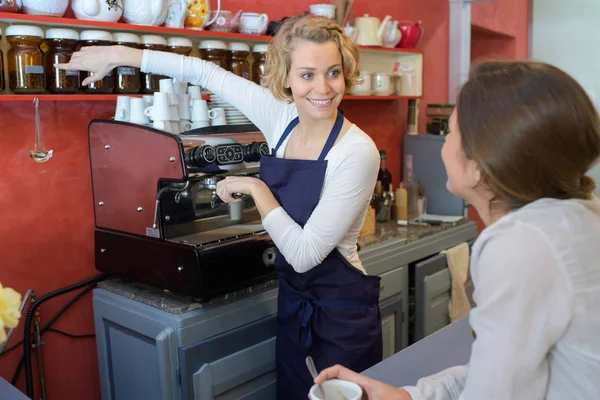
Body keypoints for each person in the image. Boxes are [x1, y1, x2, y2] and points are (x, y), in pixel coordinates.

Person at [57, 14, 383, 400]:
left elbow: (304, 254)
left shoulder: (357, 152)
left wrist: (256, 188)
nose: (324, 88)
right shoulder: (281, 118)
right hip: (294, 307)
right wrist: (118, 53)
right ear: (287, 79)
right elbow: (202, 71)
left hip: (342, 316)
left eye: (333, 72)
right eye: (308, 74)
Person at [314, 60, 600, 399]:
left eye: (450, 133)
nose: (444, 146)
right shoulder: (577, 215)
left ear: (478, 166)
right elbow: (497, 370)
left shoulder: (522, 245)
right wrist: (409, 396)